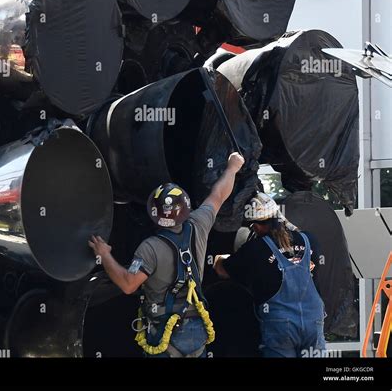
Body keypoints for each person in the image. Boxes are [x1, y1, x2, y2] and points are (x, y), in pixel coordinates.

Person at [88, 151, 245, 357]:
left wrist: (104, 254)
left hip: (165, 332)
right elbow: (218, 194)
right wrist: (233, 167)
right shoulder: (199, 223)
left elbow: (128, 284)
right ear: (186, 207)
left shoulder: (149, 248)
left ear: (152, 213)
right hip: (196, 329)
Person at [214, 192, 326, 358]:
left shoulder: (254, 249)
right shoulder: (310, 239)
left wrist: (220, 258)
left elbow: (222, 270)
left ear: (256, 226)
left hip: (280, 325)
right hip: (313, 321)